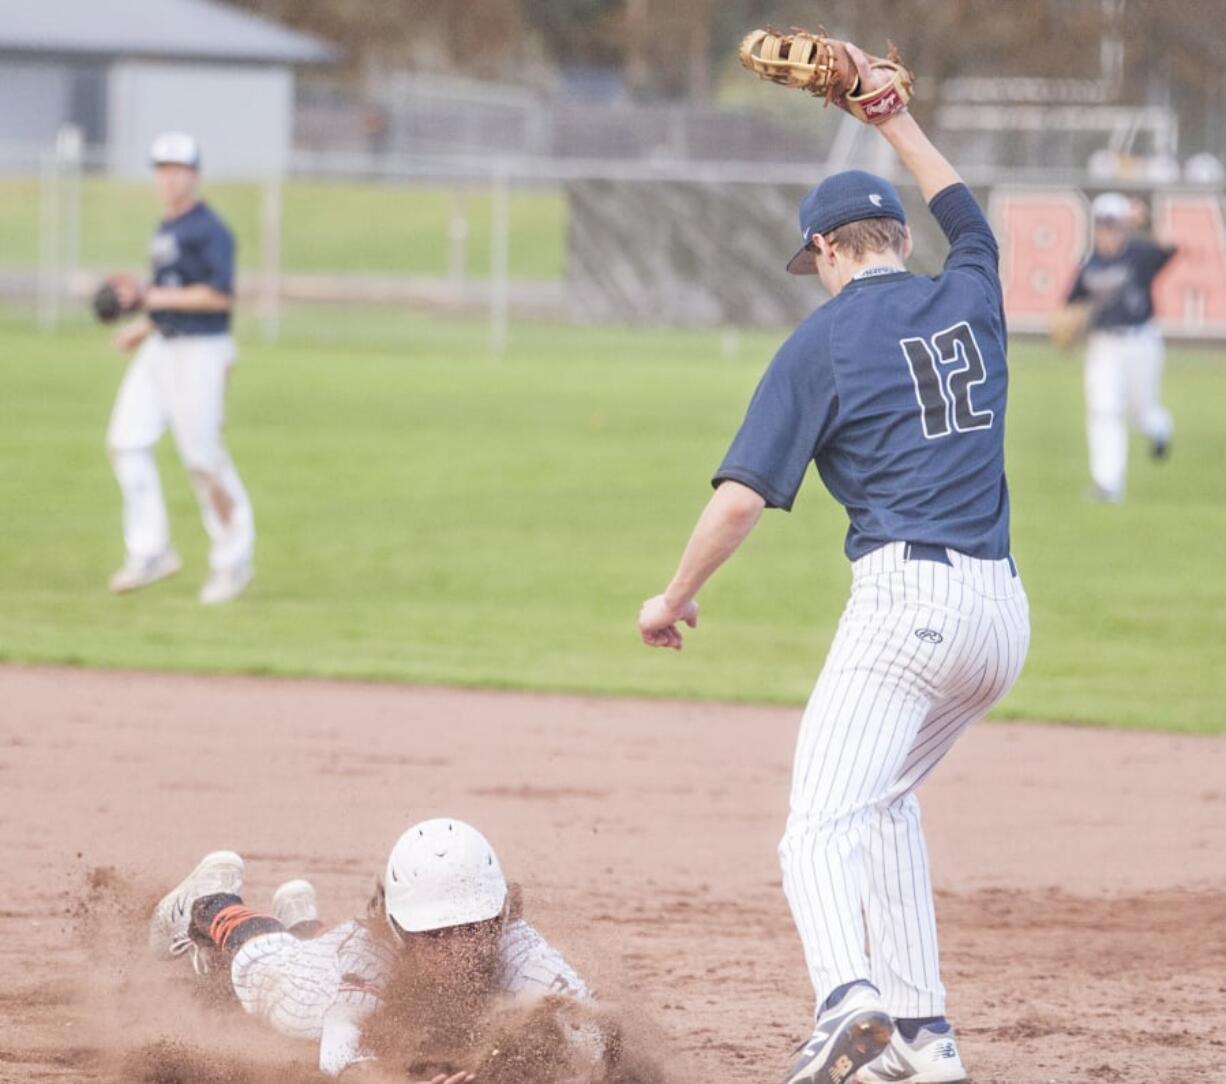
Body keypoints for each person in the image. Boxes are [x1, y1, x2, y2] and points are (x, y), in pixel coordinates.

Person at [637, 45, 1029, 1084]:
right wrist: (889, 113)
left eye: (810, 259)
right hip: (1000, 617)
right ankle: (924, 1035)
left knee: (815, 826)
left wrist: (669, 597)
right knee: (886, 801)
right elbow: (962, 208)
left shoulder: (820, 344)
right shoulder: (971, 290)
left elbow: (737, 501)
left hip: (907, 605)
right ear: (897, 239)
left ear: (823, 249)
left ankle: (846, 1005)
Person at [148, 818, 597, 1082]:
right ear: (400, 928)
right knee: (273, 981)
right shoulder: (370, 954)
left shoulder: (522, 952)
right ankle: (211, 901)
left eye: (470, 928)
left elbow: (592, 1036)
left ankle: (304, 923)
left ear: (497, 917)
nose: (458, 948)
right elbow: (340, 1057)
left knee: (315, 952)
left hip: (334, 957)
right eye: (436, 934)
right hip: (320, 976)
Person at [105, 131, 255, 604]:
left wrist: (148, 298)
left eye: (179, 169)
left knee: (202, 458)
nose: (170, 178)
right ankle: (151, 550)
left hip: (203, 351)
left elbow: (217, 295)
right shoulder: (166, 227)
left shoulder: (210, 229)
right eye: (163, 169)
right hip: (163, 347)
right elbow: (172, 289)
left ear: (196, 175)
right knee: (125, 442)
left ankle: (233, 560)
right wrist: (146, 324)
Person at [1067, 191, 1177, 502]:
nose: (1108, 231)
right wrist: (1068, 325)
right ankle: (1108, 483)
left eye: (1114, 224)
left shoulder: (1139, 254)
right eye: (1103, 224)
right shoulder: (1089, 263)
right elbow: (1070, 305)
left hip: (1141, 341)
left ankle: (1160, 429)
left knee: (1142, 412)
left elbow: (1170, 247)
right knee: (1104, 410)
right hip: (1104, 346)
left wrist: (1148, 221)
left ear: (1125, 226)